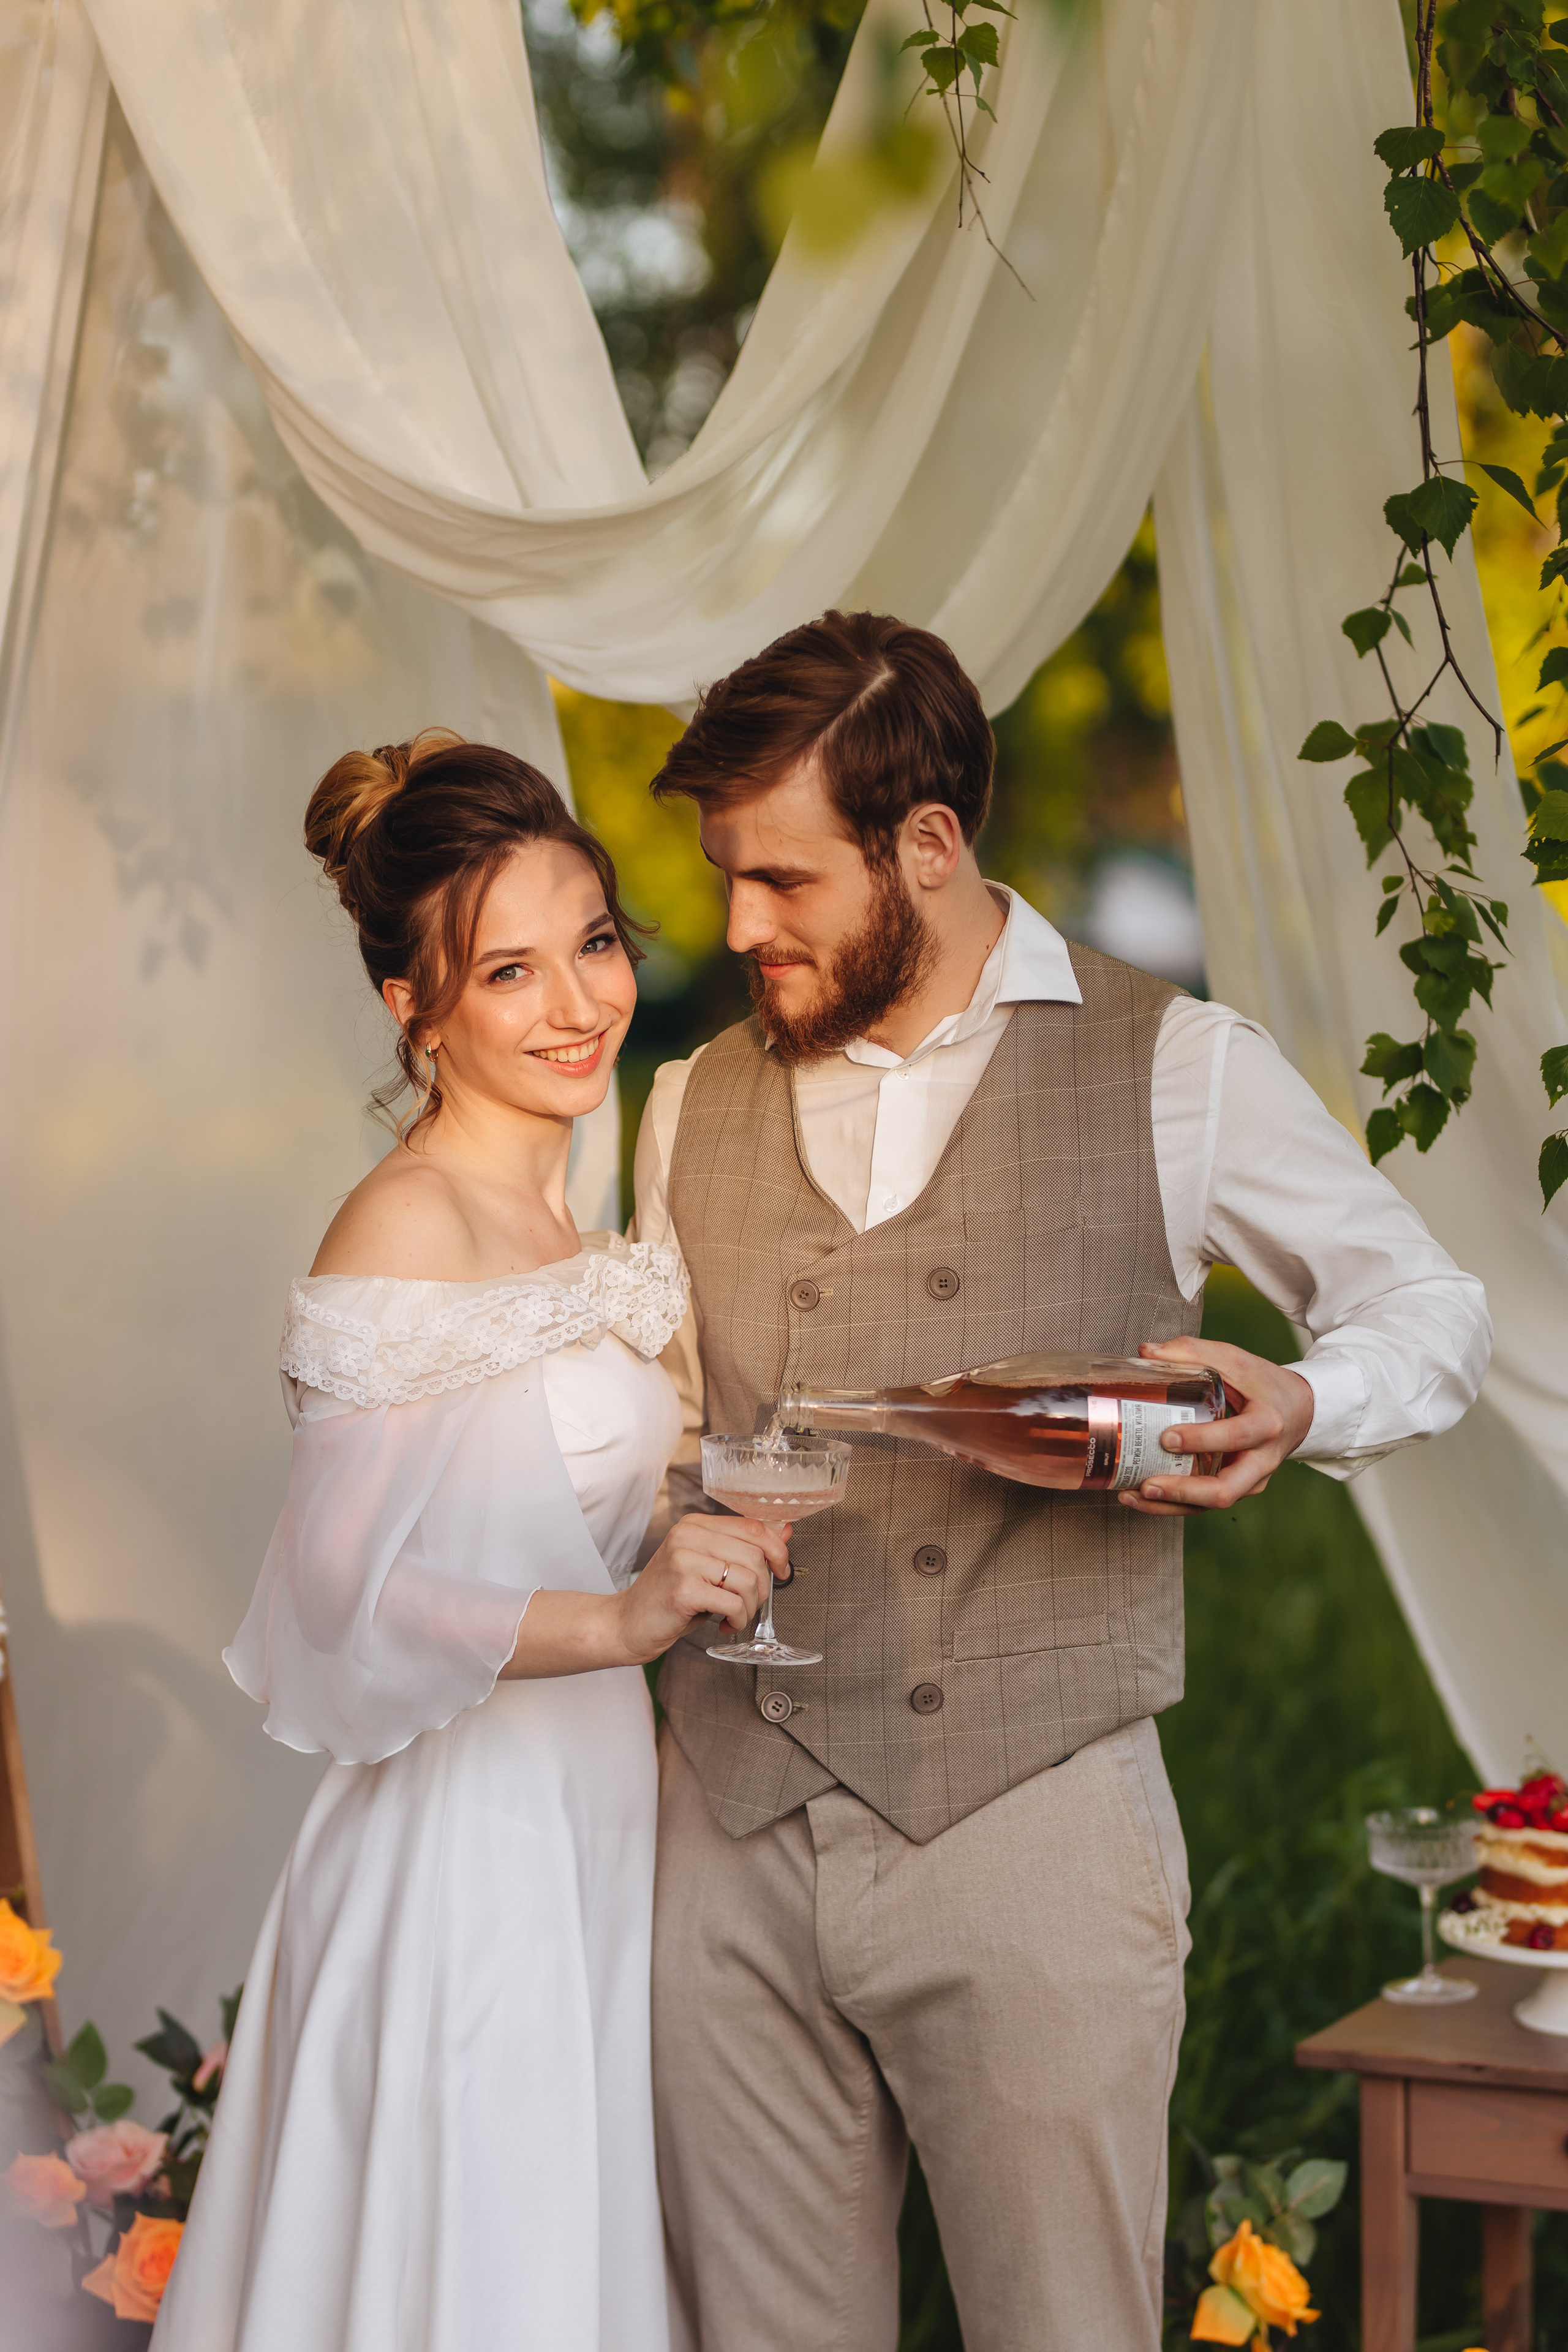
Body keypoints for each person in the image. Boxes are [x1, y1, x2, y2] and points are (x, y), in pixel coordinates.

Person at [631, 612, 1492, 2352]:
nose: (740, 927)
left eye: (786, 881)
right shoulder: (681, 1102)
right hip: (725, 1831)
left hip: (1034, 1825)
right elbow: (653, 1425)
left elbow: (1431, 1305)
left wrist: (1302, 1401)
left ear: (927, 845)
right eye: (729, 877)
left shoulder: (1176, 1068)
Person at [152, 733, 782, 2352]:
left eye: (591, 943)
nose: (579, 1005)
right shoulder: (407, 1223)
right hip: (467, 1854)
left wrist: (703, 1531)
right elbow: (334, 1598)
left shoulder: (574, 1213)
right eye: (511, 970)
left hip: (599, 1820)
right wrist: (627, 1622)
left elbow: (547, 1497)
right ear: (412, 1006)